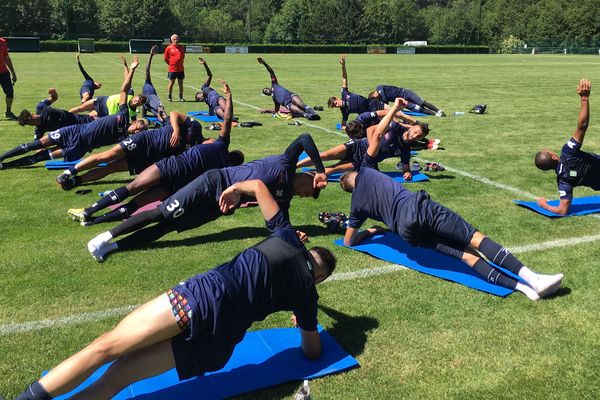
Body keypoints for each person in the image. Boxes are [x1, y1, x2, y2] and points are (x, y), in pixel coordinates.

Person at [13, 180, 337, 400]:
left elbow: (258, 186)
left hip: (203, 298)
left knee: (106, 348)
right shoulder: (307, 295)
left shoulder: (286, 235)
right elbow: (312, 352)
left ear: (305, 245)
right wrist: (303, 314)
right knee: (119, 377)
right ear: (319, 277)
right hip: (218, 341)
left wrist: (235, 188)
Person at [339, 99, 564, 301]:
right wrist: (396, 108)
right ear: (356, 175)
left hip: (406, 232)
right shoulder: (366, 169)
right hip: (418, 209)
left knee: (466, 256)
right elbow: (377, 135)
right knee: (475, 239)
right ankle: (533, 279)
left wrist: (370, 231)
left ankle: (524, 290)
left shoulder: (356, 206)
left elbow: (349, 241)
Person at [86, 133, 327, 261]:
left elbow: (279, 225)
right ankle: (103, 237)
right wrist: (321, 170)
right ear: (305, 175)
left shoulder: (283, 198)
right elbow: (305, 138)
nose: (308, 193)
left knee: (169, 227)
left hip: (217, 207)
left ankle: (113, 247)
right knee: (163, 212)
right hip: (212, 182)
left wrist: (292, 235)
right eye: (311, 188)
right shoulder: (286, 163)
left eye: (311, 196)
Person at [66, 80, 244, 226]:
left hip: (168, 168)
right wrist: (175, 130)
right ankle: (90, 213)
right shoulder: (218, 161)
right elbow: (175, 114)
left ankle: (89, 214)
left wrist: (228, 96)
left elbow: (227, 119)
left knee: (131, 189)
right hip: (165, 167)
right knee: (132, 195)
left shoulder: (218, 145)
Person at [0, 57, 147, 169]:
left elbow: (122, 153)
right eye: (137, 128)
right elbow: (124, 90)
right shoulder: (123, 114)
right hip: (71, 131)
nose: (136, 131)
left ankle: (3, 165)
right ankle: (2, 158)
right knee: (35, 146)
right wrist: (131, 69)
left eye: (138, 132)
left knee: (41, 157)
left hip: (79, 138)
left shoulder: (126, 137)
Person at [55, 111, 204, 190]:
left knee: (112, 168)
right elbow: (174, 114)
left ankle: (76, 181)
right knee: (108, 155)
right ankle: (69, 172)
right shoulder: (196, 128)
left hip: (149, 158)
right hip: (145, 140)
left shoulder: (197, 150)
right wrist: (176, 131)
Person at [297, 101, 429, 181]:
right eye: (416, 132)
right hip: (357, 146)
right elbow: (371, 130)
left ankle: (302, 177)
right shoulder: (395, 127)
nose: (415, 136)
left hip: (361, 161)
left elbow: (405, 166)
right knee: (323, 156)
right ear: (413, 127)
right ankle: (294, 166)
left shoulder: (406, 150)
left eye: (419, 137)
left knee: (330, 170)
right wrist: (373, 148)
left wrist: (407, 173)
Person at [535, 79, 598, 215]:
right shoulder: (568, 152)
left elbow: (562, 210)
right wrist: (584, 99)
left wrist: (544, 205)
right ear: (553, 156)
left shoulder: (563, 181)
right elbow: (582, 126)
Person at [327, 56, 387, 129]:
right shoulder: (344, 111)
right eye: (334, 106)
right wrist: (344, 127)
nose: (336, 105)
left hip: (373, 104)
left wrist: (343, 66)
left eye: (335, 103)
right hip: (368, 115)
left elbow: (344, 78)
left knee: (393, 112)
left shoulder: (344, 93)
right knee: (385, 123)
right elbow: (343, 124)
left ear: (336, 98)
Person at [18, 88, 94, 140]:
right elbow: (37, 144)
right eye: (29, 123)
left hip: (77, 118)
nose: (32, 123)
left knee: (97, 120)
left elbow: (54, 98)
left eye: (31, 119)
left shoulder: (41, 107)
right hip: (74, 132)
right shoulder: (39, 130)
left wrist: (53, 92)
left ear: (32, 114)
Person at [368, 84, 445, 117]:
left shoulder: (379, 88)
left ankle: (438, 110)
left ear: (373, 95)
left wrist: (383, 103)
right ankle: (436, 114)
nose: (377, 99)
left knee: (421, 103)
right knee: (418, 109)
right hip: (403, 101)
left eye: (375, 98)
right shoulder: (380, 96)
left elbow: (384, 99)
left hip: (406, 93)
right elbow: (386, 103)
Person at [142, 45, 167, 123]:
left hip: (147, 104)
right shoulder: (147, 83)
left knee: (159, 113)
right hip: (149, 99)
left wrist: (151, 55)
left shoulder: (147, 83)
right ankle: (164, 119)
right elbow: (147, 69)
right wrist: (150, 55)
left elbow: (147, 69)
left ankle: (164, 120)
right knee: (160, 109)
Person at [164, 33, 185, 102]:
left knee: (181, 84)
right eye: (175, 39)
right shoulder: (168, 48)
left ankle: (181, 97)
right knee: (171, 84)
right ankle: (169, 96)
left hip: (181, 69)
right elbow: (165, 58)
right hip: (172, 69)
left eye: (177, 39)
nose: (176, 40)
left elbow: (183, 56)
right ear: (172, 40)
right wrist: (171, 64)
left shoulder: (181, 47)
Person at [0, 36, 17, 119]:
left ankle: (8, 111)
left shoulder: (3, 41)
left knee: (10, 92)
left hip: (3, 72)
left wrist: (13, 72)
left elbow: (6, 58)